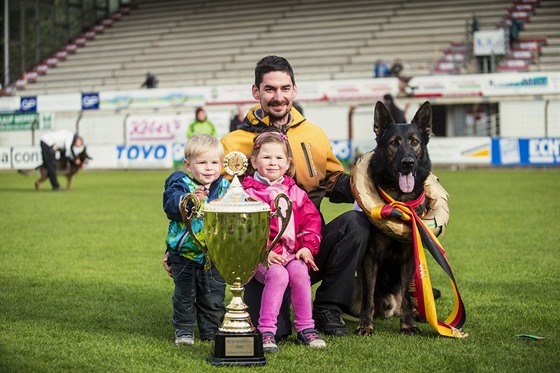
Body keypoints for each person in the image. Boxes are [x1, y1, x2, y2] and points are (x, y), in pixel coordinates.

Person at [219, 55, 371, 339]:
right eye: (270, 89)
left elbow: (335, 182)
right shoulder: (233, 142)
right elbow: (216, 202)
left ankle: (328, 307)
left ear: (294, 90)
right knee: (277, 332)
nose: (279, 97)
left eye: (285, 89)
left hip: (305, 247)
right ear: (256, 92)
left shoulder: (314, 134)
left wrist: (375, 187)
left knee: (356, 224)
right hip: (262, 257)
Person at [242, 131, 326, 352]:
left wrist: (307, 247)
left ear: (288, 163)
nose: (273, 163)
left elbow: (311, 221)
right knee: (278, 274)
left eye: (279, 158)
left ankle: (306, 328)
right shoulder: (246, 193)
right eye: (266, 157)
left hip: (291, 254)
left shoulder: (295, 192)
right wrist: (262, 251)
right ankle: (266, 331)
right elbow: (243, 229)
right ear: (254, 161)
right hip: (262, 257)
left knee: (299, 271)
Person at [162, 134, 230, 346]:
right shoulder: (180, 182)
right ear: (188, 165)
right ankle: (184, 331)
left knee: (213, 296)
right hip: (183, 254)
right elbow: (171, 207)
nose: (209, 168)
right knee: (184, 295)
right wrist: (190, 202)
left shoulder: (226, 186)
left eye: (214, 162)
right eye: (202, 162)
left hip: (215, 254)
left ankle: (211, 332)